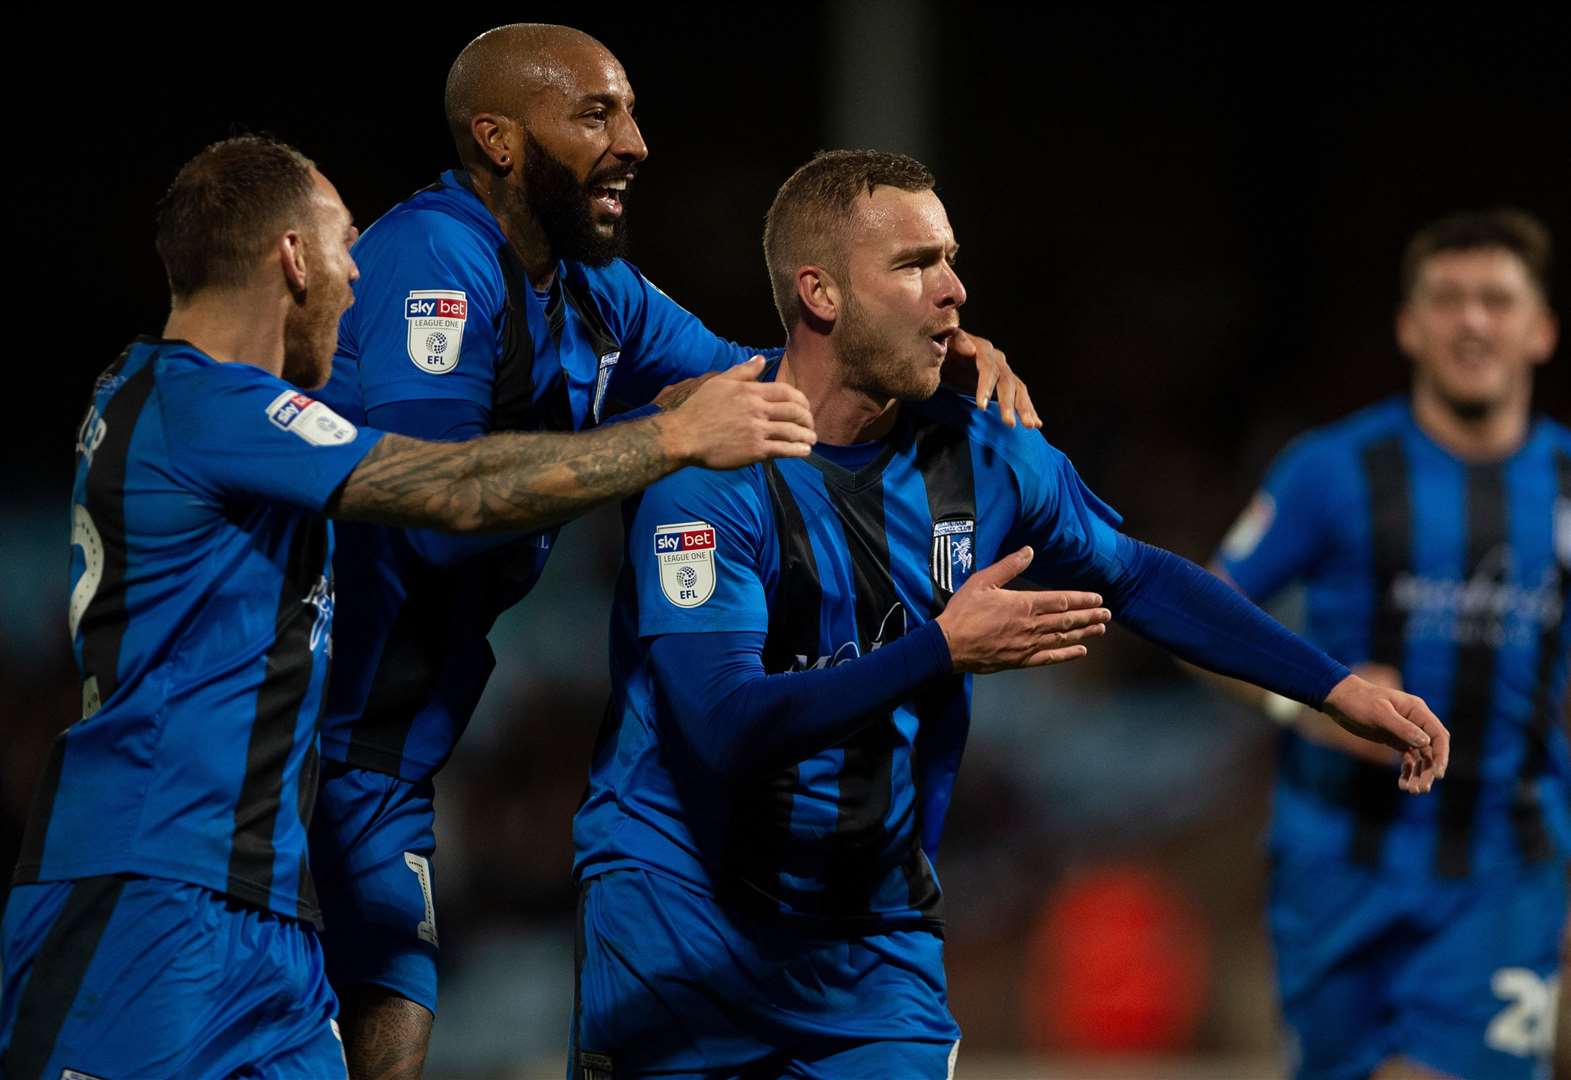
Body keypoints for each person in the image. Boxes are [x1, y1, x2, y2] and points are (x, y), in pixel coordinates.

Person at [568, 149, 1451, 1078]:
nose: (953, 290)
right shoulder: (715, 467)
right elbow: (721, 724)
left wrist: (1331, 686)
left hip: (869, 954)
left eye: (949, 258)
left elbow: (1139, 576)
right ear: (820, 293)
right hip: (676, 935)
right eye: (913, 265)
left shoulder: (988, 457)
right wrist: (940, 649)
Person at [0, 134, 815, 1080]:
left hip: (266, 915)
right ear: (293, 259)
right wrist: (670, 437)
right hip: (141, 888)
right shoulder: (196, 401)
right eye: (345, 243)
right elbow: (451, 492)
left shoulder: (197, 407)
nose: (358, 274)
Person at [306, 23, 1037, 1076]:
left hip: (386, 753)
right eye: (596, 114)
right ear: (498, 139)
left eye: (632, 112)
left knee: (392, 1017)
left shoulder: (594, 292)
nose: (635, 142)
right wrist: (662, 439)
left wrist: (907, 347)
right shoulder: (436, 260)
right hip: (286, 734)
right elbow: (436, 504)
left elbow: (777, 382)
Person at [1211, 209, 1568, 1080]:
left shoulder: (1564, 486)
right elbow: (1198, 615)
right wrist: (1297, 699)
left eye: (1495, 299)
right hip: (1334, 863)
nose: (1472, 321)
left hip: (1503, 869)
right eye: (1447, 299)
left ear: (1539, 329)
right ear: (1409, 326)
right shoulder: (1331, 470)